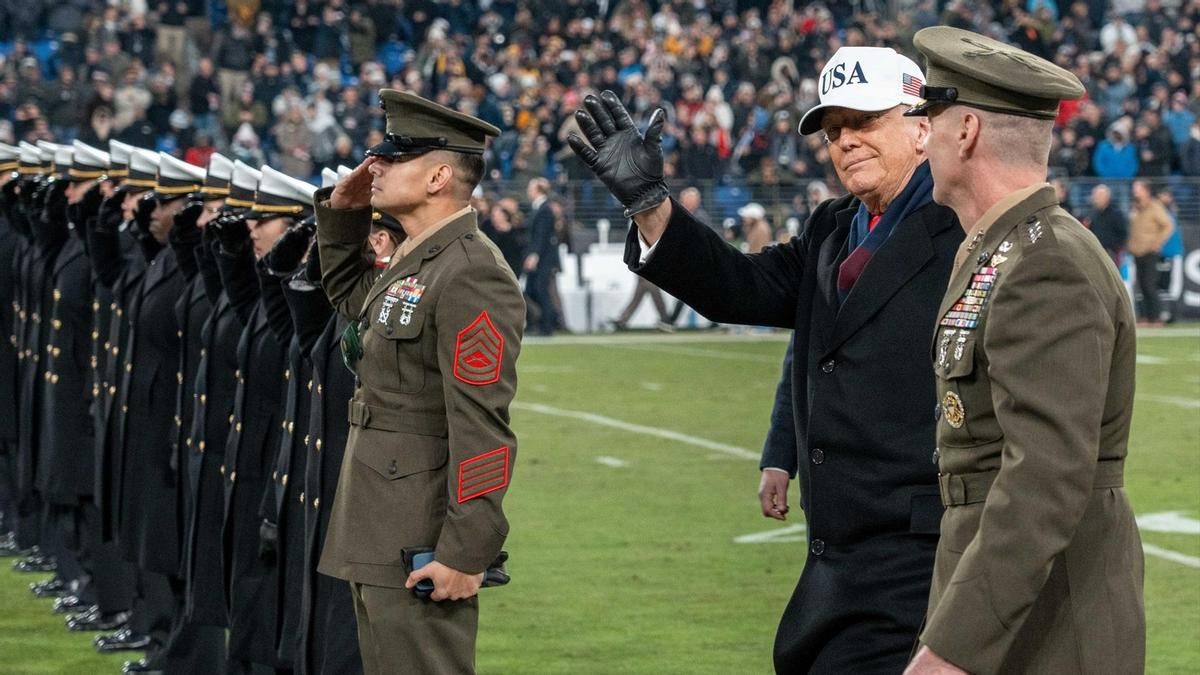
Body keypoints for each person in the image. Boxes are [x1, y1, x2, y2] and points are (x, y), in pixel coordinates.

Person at [568, 46, 963, 674]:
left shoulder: (968, 230)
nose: (846, 142)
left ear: (922, 127)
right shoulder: (834, 226)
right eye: (834, 131)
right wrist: (649, 203)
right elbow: (740, 287)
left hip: (929, 557)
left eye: (865, 121)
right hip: (836, 559)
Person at [902, 26, 1144, 674]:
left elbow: (1044, 475)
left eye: (933, 117)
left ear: (967, 132)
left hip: (1048, 619)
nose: (923, 139)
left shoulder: (1044, 265)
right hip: (1016, 602)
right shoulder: (1003, 250)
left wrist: (952, 647)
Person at [315, 90, 524, 675]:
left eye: (394, 155)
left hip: (420, 534)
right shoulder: (418, 257)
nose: (373, 164)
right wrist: (342, 212)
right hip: (380, 518)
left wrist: (466, 552)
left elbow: (482, 425)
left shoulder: (471, 270)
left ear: (437, 175)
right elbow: (350, 300)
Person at [1126, 179, 1174, 326]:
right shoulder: (1135, 208)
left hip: (1150, 251)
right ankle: (1145, 317)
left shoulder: (1154, 207)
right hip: (1136, 251)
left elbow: (1168, 226)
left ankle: (1156, 317)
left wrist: (1158, 242)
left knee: (1149, 285)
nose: (1134, 191)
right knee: (1141, 286)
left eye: (1137, 189)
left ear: (1146, 191)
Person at [522, 177, 559, 336]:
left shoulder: (544, 209)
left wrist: (534, 255)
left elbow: (541, 235)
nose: (528, 191)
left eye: (531, 188)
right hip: (539, 257)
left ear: (537, 190)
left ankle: (547, 325)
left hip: (543, 259)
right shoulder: (539, 208)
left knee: (540, 290)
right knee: (531, 289)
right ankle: (535, 323)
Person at [1084, 184, 1127, 267]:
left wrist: (1114, 247)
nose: (1095, 199)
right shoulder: (1093, 214)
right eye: (1094, 196)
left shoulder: (1116, 214)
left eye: (1098, 196)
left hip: (1111, 253)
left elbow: (1123, 233)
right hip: (1096, 252)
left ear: (1106, 197)